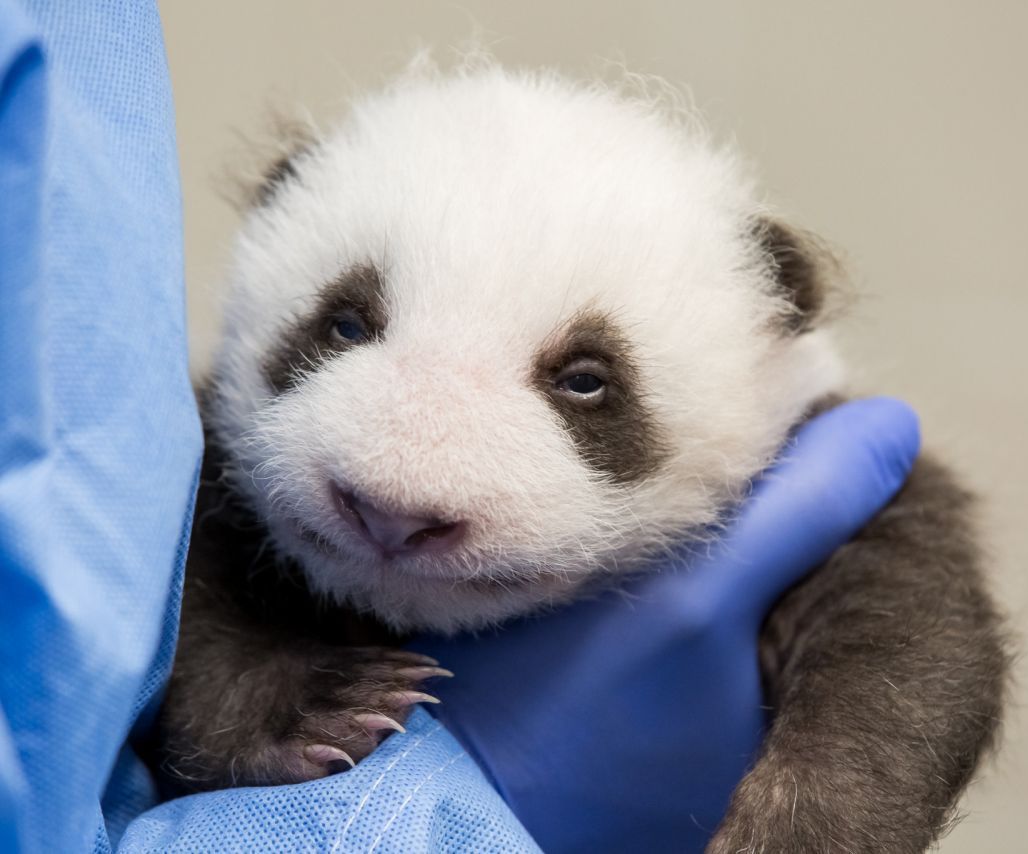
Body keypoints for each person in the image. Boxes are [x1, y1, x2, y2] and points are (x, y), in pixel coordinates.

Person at [0, 2, 920, 851]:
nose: (398, 489)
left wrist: (817, 805)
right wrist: (252, 708)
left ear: (770, 334)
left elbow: (904, 681)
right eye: (351, 327)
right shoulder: (163, 468)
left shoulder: (798, 452)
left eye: (584, 384)